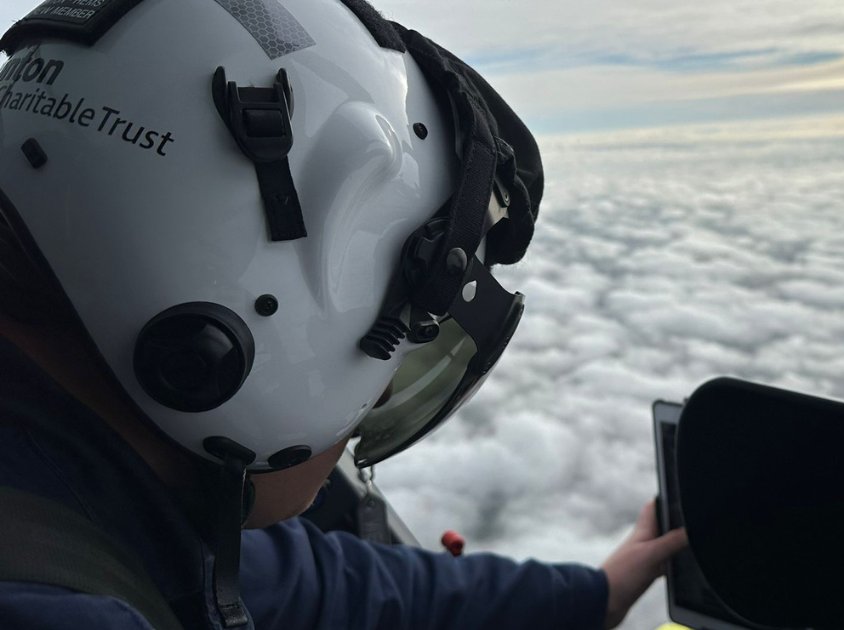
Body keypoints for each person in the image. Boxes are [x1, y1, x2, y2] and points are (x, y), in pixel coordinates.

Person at [0, 1, 687, 628]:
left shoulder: (113, 492)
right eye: (405, 325)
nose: (382, 389)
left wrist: (598, 592)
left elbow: (327, 581)